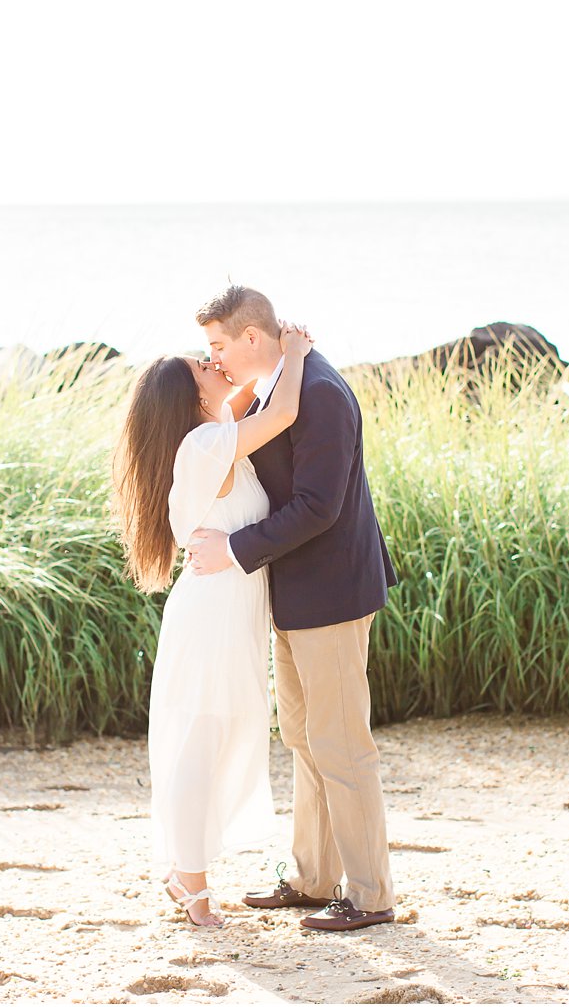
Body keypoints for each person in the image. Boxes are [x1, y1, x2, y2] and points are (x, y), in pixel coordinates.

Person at [185, 285, 399, 932]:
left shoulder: (323, 394)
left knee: (342, 745)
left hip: (332, 594)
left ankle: (370, 896)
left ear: (253, 338)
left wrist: (233, 550)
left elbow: (318, 507)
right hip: (297, 593)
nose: (213, 357)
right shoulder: (280, 385)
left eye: (218, 344)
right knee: (306, 740)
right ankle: (312, 879)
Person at [111, 322, 315, 927]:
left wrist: (259, 359)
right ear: (192, 395)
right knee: (202, 741)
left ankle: (184, 870)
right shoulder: (204, 446)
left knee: (225, 736)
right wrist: (296, 352)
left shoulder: (218, 437)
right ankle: (192, 882)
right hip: (212, 616)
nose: (215, 364)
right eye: (205, 365)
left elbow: (261, 405)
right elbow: (280, 413)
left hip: (230, 610)